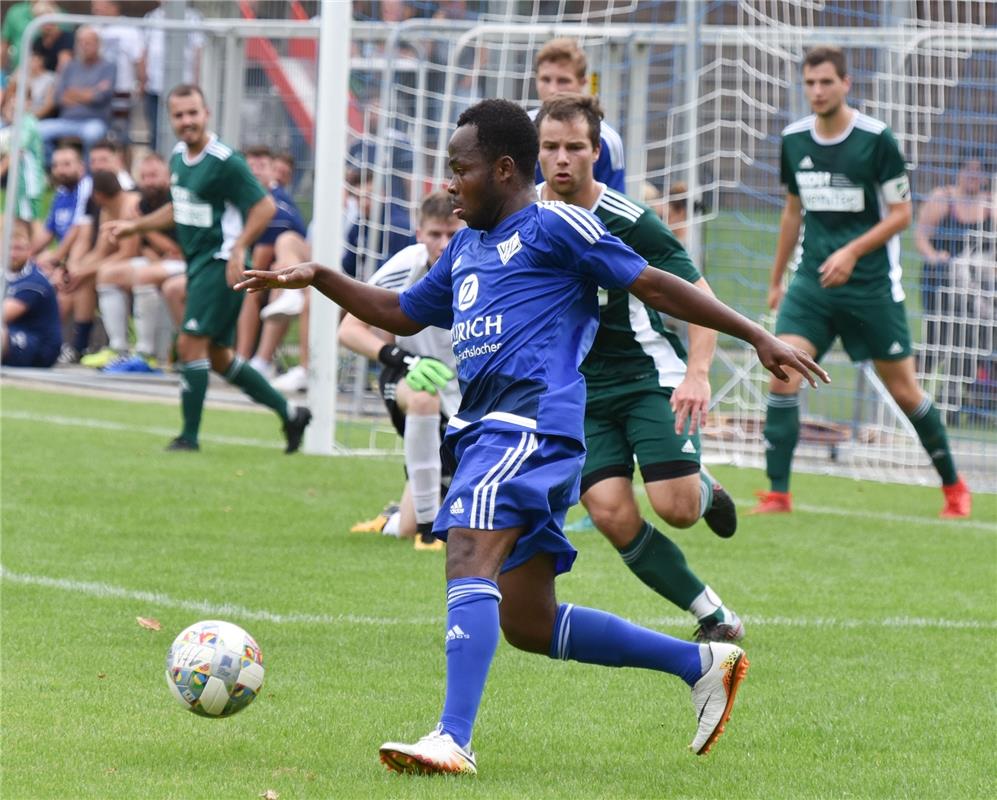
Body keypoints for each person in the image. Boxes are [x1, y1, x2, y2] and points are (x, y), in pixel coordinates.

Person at [237, 98, 828, 775]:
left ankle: (452, 737)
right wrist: (318, 275)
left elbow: (655, 284)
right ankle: (699, 663)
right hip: (491, 426)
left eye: (460, 170)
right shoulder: (464, 246)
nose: (449, 184)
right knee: (527, 621)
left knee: (465, 550)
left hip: (532, 422)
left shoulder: (556, 225)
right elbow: (398, 312)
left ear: (503, 168)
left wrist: (753, 334)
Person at [536, 93, 743, 642]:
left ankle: (701, 485)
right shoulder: (520, 219)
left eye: (574, 147)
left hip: (647, 377)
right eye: (550, 147)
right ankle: (714, 615)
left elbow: (702, 299)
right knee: (609, 512)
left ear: (595, 151)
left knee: (674, 508)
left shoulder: (630, 221)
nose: (562, 158)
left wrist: (698, 374)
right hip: (578, 393)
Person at [752, 46, 971, 519]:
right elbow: (793, 212)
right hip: (812, 284)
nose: (817, 91)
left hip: (872, 286)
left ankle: (954, 486)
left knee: (905, 392)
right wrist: (777, 281)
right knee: (783, 370)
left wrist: (852, 252)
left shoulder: (877, 139)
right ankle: (778, 494)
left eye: (826, 82)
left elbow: (902, 215)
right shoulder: (793, 140)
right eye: (809, 83)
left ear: (846, 84)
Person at [104, 83, 312, 453]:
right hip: (199, 263)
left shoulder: (225, 160)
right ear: (172, 119)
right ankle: (290, 413)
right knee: (217, 356)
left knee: (189, 343)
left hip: (221, 264)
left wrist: (239, 247)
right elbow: (179, 207)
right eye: (179, 115)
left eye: (193, 113)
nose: (187, 121)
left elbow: (264, 207)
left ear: (206, 114)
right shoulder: (179, 158)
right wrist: (135, 226)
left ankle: (189, 436)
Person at [341, 191, 463, 551]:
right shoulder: (405, 266)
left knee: (408, 523)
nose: (443, 244)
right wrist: (405, 360)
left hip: (463, 394)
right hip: (407, 378)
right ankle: (429, 530)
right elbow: (349, 329)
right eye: (435, 234)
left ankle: (398, 520)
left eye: (453, 234)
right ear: (418, 233)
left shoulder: (484, 266)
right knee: (424, 397)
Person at [89, 152, 184, 371]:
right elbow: (144, 248)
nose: (149, 181)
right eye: (145, 176)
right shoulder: (142, 203)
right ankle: (118, 348)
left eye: (154, 175)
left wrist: (141, 225)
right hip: (159, 262)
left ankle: (146, 352)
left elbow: (174, 250)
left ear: (167, 176)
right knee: (107, 273)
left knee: (144, 275)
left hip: (184, 263)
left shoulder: (174, 200)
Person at [914, 151, 992, 374]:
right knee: (936, 341)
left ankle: (963, 397)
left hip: (976, 289)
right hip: (941, 283)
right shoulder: (943, 197)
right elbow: (921, 237)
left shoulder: (990, 203)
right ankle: (910, 392)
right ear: (959, 171)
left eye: (979, 171)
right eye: (968, 169)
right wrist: (934, 256)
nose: (973, 175)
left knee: (973, 343)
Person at [237, 145, 307, 370]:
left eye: (262, 166)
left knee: (257, 282)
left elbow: (259, 261)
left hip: (287, 273)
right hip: (275, 270)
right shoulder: (237, 201)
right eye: (251, 166)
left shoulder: (277, 210)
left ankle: (247, 359)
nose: (256, 171)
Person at [528, 38, 624, 191]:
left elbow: (613, 204)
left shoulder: (607, 140)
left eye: (563, 81)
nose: (552, 89)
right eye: (545, 79)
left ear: (583, 82)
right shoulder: (520, 131)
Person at [37, 26, 116, 164]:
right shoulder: (70, 66)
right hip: (66, 121)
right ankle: (52, 171)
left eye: (89, 42)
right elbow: (58, 96)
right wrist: (89, 92)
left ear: (98, 44)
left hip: (94, 121)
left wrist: (73, 93)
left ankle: (86, 177)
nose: (85, 46)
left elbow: (100, 97)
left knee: (92, 135)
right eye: (81, 42)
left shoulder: (108, 67)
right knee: (37, 131)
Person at [138, 0, 204, 151]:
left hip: (183, 88)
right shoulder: (151, 17)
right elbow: (144, 51)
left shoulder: (192, 18)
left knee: (184, 131)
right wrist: (143, 80)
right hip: (155, 86)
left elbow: (198, 52)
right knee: (155, 131)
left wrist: (195, 83)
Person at [3, 217, 61, 368]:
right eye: (9, 248)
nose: (13, 254)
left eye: (18, 248)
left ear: (29, 250)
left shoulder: (34, 281)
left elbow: (4, 314)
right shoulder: (5, 274)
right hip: (13, 336)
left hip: (38, 346)